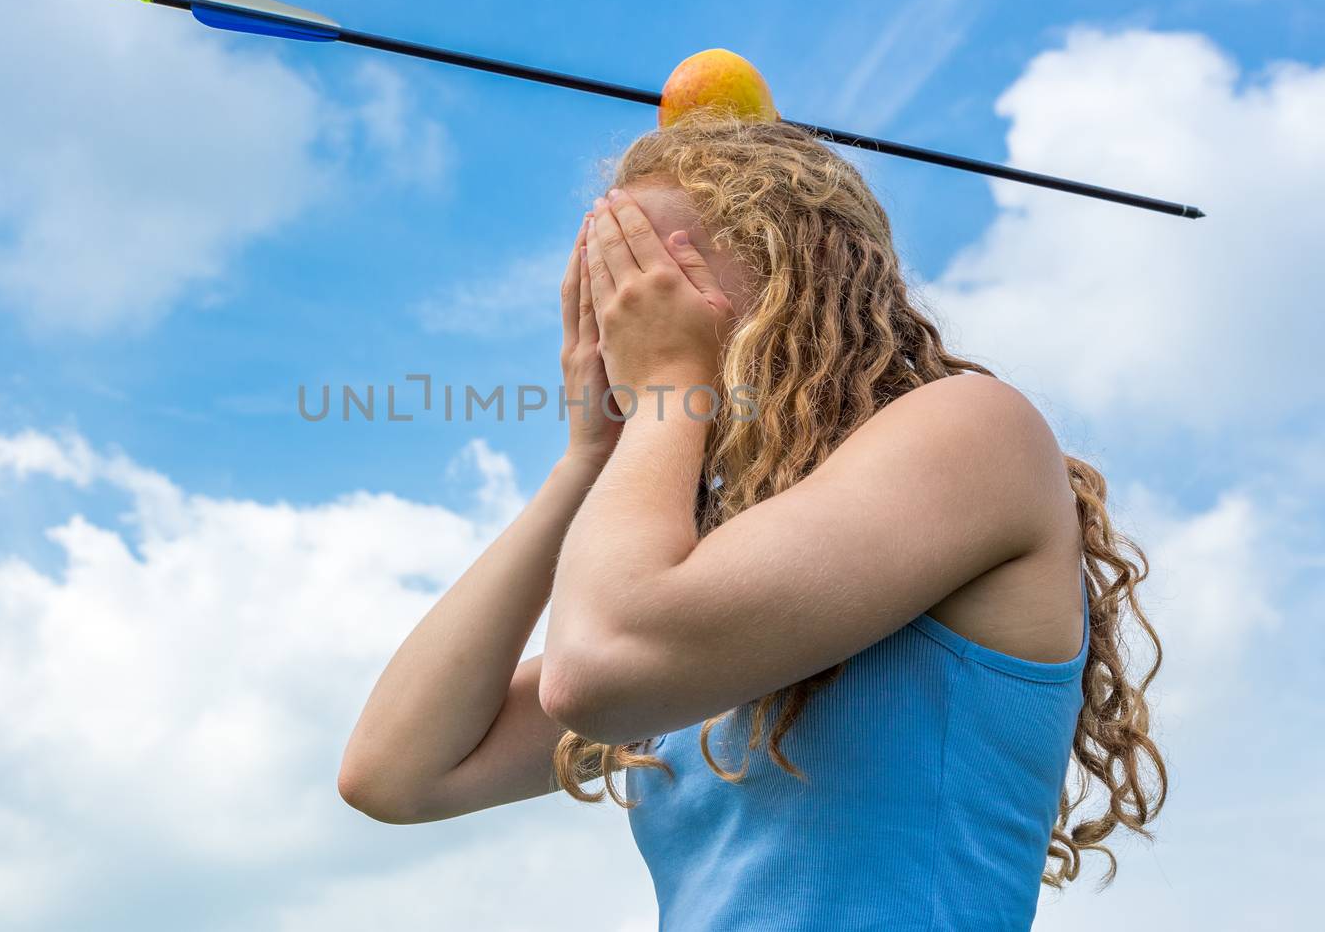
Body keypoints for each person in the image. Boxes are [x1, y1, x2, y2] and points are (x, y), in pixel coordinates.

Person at [337, 114, 1166, 930]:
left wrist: (667, 384)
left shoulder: (979, 432)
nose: (626, 315)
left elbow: (596, 666)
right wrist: (586, 460)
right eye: (608, 290)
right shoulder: (701, 589)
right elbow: (395, 771)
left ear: (797, 268)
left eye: (655, 271)